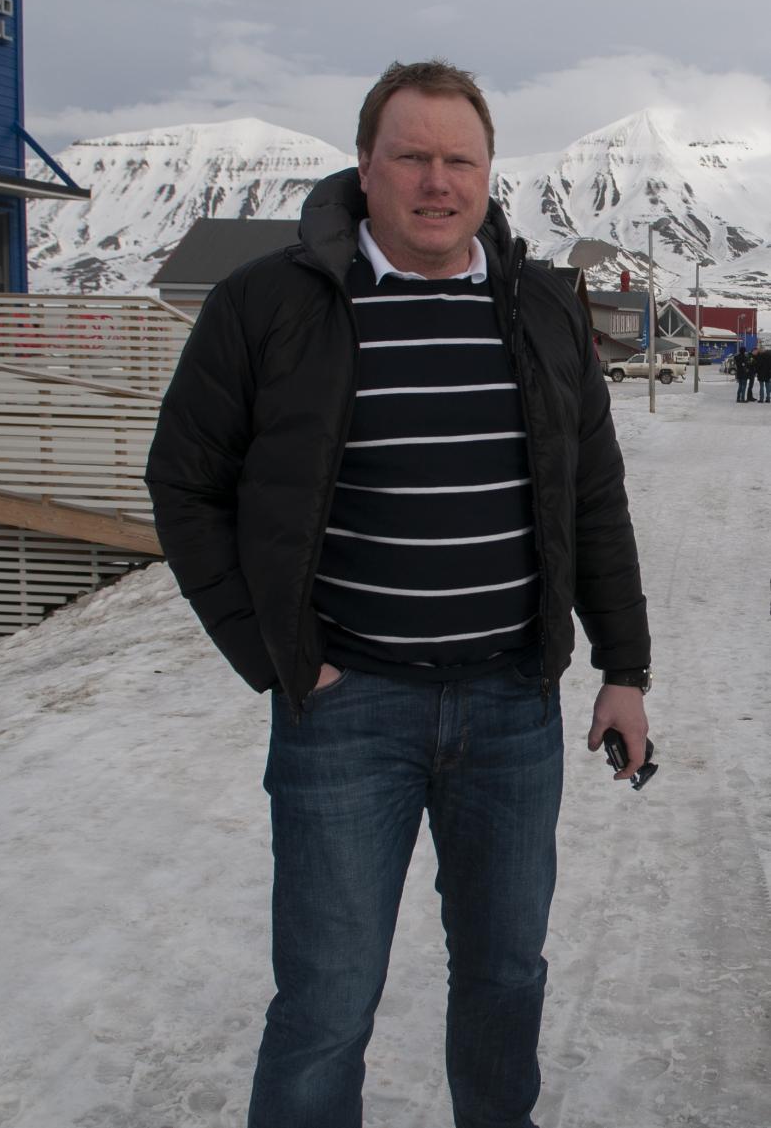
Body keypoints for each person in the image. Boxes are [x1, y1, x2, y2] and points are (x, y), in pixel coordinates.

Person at [146, 60, 651, 1128]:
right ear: (364, 164)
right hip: (344, 708)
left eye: (458, 158)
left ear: (487, 172)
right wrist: (272, 650)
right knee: (325, 1000)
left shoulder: (544, 306)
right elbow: (184, 484)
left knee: (506, 976)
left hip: (512, 705)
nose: (436, 180)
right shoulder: (269, 303)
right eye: (411, 156)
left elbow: (591, 496)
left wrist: (623, 668)